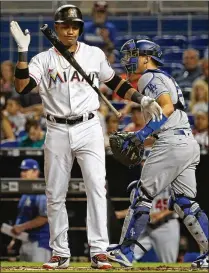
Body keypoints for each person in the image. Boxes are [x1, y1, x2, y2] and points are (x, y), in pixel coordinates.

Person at [10, 5, 162, 270]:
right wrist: (22, 52)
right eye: (65, 26)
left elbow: (115, 83)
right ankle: (60, 253)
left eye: (75, 26)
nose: (70, 30)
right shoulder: (42, 60)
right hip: (56, 128)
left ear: (80, 28)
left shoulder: (94, 54)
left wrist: (142, 99)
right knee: (55, 193)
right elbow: (22, 86)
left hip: (89, 127)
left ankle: (99, 251)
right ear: (56, 27)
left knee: (96, 188)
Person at [106, 39, 209, 269]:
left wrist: (142, 135)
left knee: (141, 194)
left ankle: (125, 252)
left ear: (146, 57)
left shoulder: (148, 77)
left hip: (171, 142)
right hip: (186, 142)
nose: (129, 60)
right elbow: (170, 111)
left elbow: (167, 107)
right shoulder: (165, 77)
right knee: (186, 202)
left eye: (133, 55)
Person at [7, 159, 51, 262]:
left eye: (26, 171)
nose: (23, 173)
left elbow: (44, 218)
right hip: (25, 241)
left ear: (36, 172)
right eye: (22, 171)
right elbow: (21, 219)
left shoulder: (41, 191)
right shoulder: (25, 193)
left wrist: (21, 227)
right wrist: (14, 240)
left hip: (40, 243)